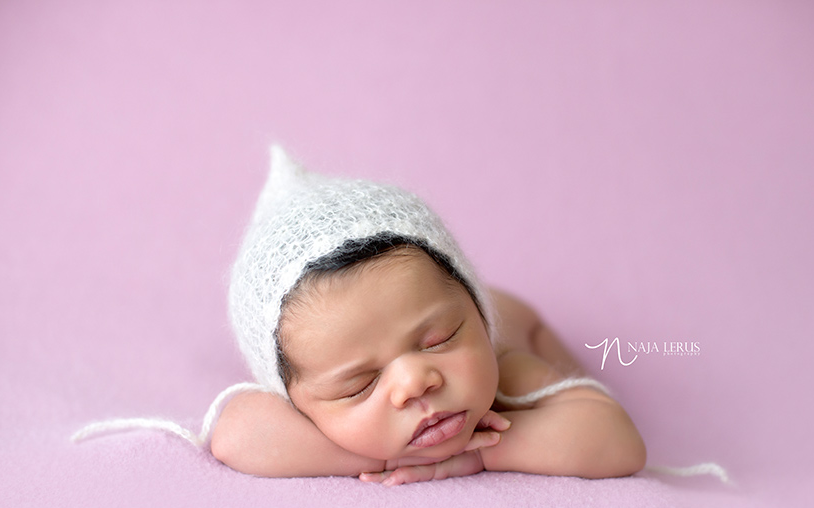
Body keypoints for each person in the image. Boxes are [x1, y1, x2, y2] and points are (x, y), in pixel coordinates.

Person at [208, 146, 646, 486]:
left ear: (475, 311)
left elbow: (617, 440)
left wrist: (479, 453)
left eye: (439, 339)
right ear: (293, 402)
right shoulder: (300, 391)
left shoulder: (507, 370)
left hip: (523, 322)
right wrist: (387, 455)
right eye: (359, 385)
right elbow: (235, 435)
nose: (414, 382)